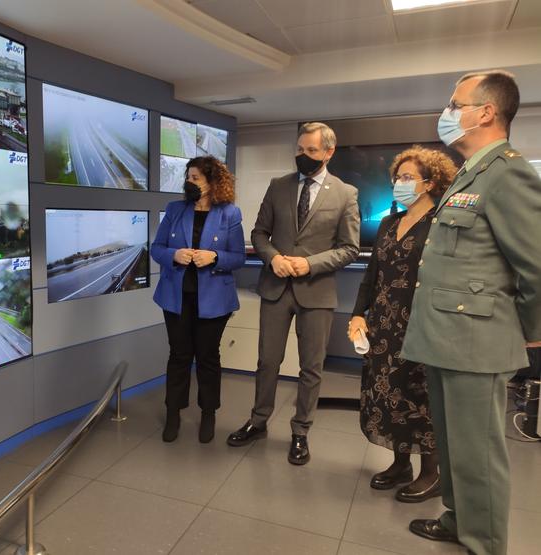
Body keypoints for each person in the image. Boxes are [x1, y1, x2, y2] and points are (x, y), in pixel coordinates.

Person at [401, 70, 541, 555]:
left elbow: (537, 265)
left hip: (478, 340)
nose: (446, 113)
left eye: (454, 103)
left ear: (485, 112)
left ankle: (484, 544)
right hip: (448, 335)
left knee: (478, 453)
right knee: (456, 444)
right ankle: (458, 519)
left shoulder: (508, 173)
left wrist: (530, 332)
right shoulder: (470, 172)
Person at [227, 122, 360, 465]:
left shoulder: (346, 194)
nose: (303, 156)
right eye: (299, 150)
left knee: (310, 368)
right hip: (275, 288)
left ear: (329, 152)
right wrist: (272, 258)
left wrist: (308, 264)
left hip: (316, 293)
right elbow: (259, 233)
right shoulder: (278, 185)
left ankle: (301, 431)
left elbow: (349, 249)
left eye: (311, 151)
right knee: (267, 361)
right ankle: (258, 422)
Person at [349, 146, 457, 503]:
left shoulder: (441, 223)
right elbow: (372, 275)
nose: (399, 183)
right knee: (387, 394)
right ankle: (400, 465)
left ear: (430, 182)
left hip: (421, 323)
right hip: (382, 324)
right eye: (398, 177)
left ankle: (431, 474)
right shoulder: (388, 222)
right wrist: (358, 313)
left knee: (420, 398)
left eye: (408, 177)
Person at [151, 156, 245, 443]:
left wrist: (215, 257)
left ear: (212, 182)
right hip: (176, 298)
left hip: (214, 300)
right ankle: (173, 415)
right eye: (188, 177)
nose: (189, 183)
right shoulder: (175, 209)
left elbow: (238, 257)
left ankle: (208, 414)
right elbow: (157, 248)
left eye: (195, 178)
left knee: (207, 357)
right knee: (179, 356)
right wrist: (173, 255)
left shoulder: (230, 213)